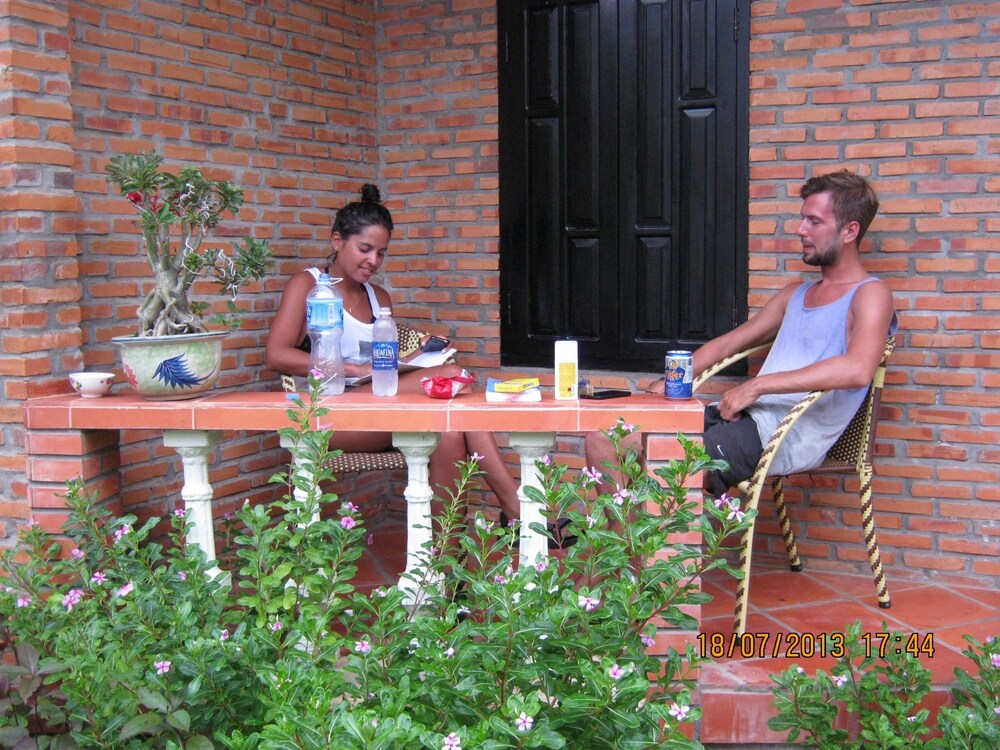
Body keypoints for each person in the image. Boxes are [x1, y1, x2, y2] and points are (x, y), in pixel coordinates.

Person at [586, 170, 898, 496]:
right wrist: (670, 382)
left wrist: (758, 385)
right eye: (802, 218)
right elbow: (729, 343)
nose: (800, 229)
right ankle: (627, 531)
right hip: (739, 417)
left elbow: (858, 368)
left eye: (814, 221)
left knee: (669, 460)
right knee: (604, 439)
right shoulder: (795, 295)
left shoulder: (870, 294)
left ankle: (653, 528)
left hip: (784, 433)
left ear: (849, 231)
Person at [266, 184, 549, 538]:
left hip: (376, 404)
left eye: (381, 253)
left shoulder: (378, 297)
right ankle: (516, 508)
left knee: (450, 433)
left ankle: (443, 559)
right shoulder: (308, 285)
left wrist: (417, 358)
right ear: (337, 241)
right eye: (365, 249)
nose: (373, 261)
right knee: (456, 377)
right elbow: (276, 355)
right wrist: (352, 369)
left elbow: (380, 364)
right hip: (328, 414)